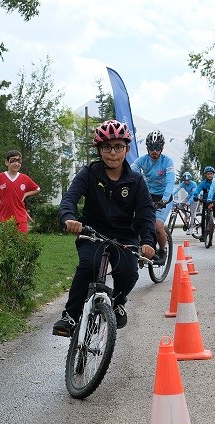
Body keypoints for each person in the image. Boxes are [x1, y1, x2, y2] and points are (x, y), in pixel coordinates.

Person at [53, 120, 156, 337]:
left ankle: (118, 302)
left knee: (128, 272)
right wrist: (69, 217)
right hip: (93, 232)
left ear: (126, 149)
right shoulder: (89, 173)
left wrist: (147, 241)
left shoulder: (136, 181)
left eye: (118, 146)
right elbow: (70, 198)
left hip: (124, 236)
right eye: (107, 147)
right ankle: (70, 316)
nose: (113, 153)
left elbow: (146, 214)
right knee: (88, 265)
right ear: (99, 150)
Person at [130, 130, 175, 264]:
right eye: (151, 148)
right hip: (148, 197)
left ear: (162, 148)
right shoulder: (142, 160)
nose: (154, 151)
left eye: (157, 148)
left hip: (163, 199)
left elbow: (170, 181)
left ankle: (162, 250)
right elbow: (130, 174)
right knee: (135, 222)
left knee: (157, 226)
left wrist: (165, 199)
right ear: (147, 148)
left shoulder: (167, 161)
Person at [0, 150, 40, 233]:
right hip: (4, 218)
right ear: (7, 162)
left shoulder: (24, 178)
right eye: (13, 160)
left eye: (19, 161)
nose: (16, 164)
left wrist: (25, 194)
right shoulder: (0, 177)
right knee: (5, 244)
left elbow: (37, 189)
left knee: (22, 243)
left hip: (20, 218)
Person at [193, 165, 215, 244]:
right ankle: (203, 234)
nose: (210, 175)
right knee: (203, 219)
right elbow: (198, 190)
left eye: (211, 174)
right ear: (206, 175)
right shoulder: (203, 183)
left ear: (213, 174)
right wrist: (195, 195)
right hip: (206, 202)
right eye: (208, 174)